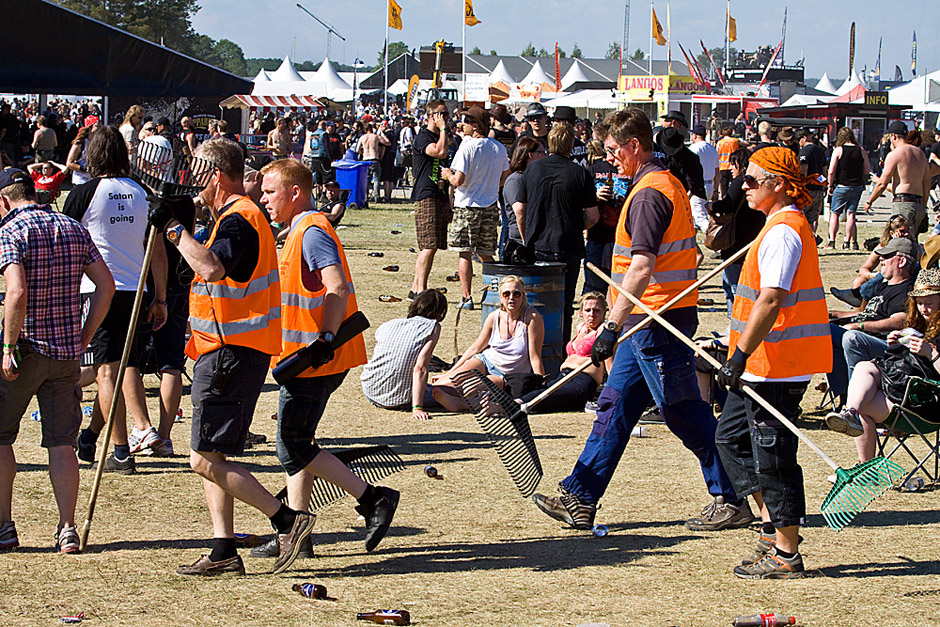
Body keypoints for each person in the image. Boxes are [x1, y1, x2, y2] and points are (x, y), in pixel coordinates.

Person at [531, 108, 748, 532]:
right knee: (615, 406)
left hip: (655, 319)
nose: (609, 157)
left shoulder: (650, 194)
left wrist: (610, 326)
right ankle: (579, 496)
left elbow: (642, 265)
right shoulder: (663, 185)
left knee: (683, 411)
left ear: (634, 146)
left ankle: (733, 495)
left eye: (614, 150)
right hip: (644, 320)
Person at [148, 137, 314, 576]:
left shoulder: (241, 218)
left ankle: (287, 520)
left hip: (231, 353)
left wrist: (171, 230)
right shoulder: (230, 218)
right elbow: (204, 269)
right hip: (220, 350)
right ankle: (224, 548)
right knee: (213, 456)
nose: (192, 181)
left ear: (216, 176)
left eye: (197, 173)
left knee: (202, 458)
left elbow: (212, 267)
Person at [252, 157, 399, 558]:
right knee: (298, 441)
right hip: (306, 359)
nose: (263, 199)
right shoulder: (299, 229)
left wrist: (325, 338)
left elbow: (335, 286)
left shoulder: (312, 231)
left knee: (292, 444)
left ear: (295, 192)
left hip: (315, 359)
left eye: (270, 192)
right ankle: (298, 535)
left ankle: (374, 498)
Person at [714, 146, 832, 579]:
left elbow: (772, 298)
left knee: (774, 457)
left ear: (778, 185)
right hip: (758, 365)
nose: (741, 186)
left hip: (778, 365)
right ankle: (769, 529)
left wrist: (739, 354)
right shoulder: (773, 227)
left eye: (751, 179)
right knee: (730, 440)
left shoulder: (785, 231)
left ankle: (787, 552)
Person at [0, 169, 114, 554]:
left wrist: (7, 346)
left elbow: (16, 291)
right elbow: (107, 284)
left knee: (0, 438)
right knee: (61, 442)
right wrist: (84, 336)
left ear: (3, 200)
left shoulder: (11, 231)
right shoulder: (72, 227)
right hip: (66, 353)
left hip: (26, 349)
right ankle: (67, 527)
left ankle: (4, 527)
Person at [64, 126, 170, 472]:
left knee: (107, 372)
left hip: (97, 290)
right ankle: (93, 436)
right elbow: (156, 249)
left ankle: (123, 450)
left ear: (92, 156)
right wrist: (160, 297)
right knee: (124, 366)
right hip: (135, 291)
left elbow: (64, 243)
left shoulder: (83, 194)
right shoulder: (143, 193)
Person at [826, 269, 940, 461]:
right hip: (904, 390)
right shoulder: (920, 324)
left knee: (863, 404)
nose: (923, 309)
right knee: (863, 367)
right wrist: (898, 346)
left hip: (927, 401)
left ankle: (865, 466)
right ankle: (850, 413)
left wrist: (931, 353)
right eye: (919, 303)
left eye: (929, 303)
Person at [520, 122, 599, 343]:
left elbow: (521, 208)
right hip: (568, 246)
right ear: (572, 144)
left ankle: (532, 346)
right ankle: (561, 347)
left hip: (536, 245)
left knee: (533, 302)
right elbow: (593, 216)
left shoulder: (533, 169)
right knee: (564, 303)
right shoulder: (580, 173)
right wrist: (575, 226)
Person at [433, 275, 545, 411]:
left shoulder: (532, 318)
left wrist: (541, 383)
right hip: (486, 361)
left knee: (470, 388)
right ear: (500, 296)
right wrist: (450, 372)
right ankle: (420, 399)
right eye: (506, 294)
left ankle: (460, 404)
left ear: (523, 296)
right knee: (442, 385)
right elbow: (475, 348)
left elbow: (535, 356)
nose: (511, 298)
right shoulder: (494, 316)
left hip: (506, 375)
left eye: (516, 294)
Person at [827, 237, 917, 403]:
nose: (881, 259)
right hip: (862, 334)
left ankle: (855, 402)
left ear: (902, 261)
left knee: (849, 337)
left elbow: (901, 320)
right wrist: (833, 314)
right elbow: (865, 313)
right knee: (821, 328)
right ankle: (843, 396)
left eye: (888, 256)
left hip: (883, 344)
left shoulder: (907, 291)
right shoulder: (883, 285)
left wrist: (859, 326)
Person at [441, 105, 509, 309]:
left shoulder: (468, 147)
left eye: (466, 121)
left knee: (465, 253)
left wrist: (447, 176)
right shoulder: (499, 147)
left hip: (468, 206)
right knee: (487, 253)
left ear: (476, 125)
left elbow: (459, 180)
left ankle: (466, 296)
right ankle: (493, 294)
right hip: (489, 205)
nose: (462, 125)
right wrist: (488, 185)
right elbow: (504, 177)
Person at [361, 289, 448, 420]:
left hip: (370, 390)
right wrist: (418, 408)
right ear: (440, 313)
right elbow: (420, 368)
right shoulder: (433, 327)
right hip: (400, 399)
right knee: (448, 392)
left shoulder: (390, 324)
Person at [519, 292, 608, 413]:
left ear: (604, 312)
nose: (592, 314)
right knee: (538, 392)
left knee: (543, 397)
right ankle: (512, 404)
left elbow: (611, 362)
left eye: (597, 310)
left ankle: (513, 405)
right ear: (581, 312)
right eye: (588, 310)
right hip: (563, 377)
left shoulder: (605, 331)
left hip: (583, 381)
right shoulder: (581, 327)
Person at [709, 148, 766, 317]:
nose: (730, 168)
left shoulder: (740, 183)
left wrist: (711, 206)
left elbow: (728, 204)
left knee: (734, 285)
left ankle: (737, 318)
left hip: (737, 240)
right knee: (729, 281)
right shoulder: (756, 185)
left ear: (741, 164)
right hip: (751, 236)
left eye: (733, 164)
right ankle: (734, 320)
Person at [830, 215, 917, 308]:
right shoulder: (882, 246)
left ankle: (857, 295)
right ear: (891, 233)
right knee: (859, 281)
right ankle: (859, 312)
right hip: (885, 278)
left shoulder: (914, 247)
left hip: (903, 279)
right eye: (902, 231)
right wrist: (872, 276)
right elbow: (864, 269)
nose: (907, 234)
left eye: (908, 231)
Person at [863, 120, 931, 234]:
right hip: (918, 202)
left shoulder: (895, 154)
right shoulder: (920, 154)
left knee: (900, 237)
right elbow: (927, 183)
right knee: (912, 239)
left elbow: (882, 184)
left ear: (893, 136)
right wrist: (924, 205)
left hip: (903, 202)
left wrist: (869, 201)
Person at [500, 137, 546, 261]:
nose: (545, 155)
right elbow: (520, 210)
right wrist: (526, 241)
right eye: (541, 152)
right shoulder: (516, 179)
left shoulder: (534, 178)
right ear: (530, 155)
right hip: (519, 243)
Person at [826, 127, 872, 249]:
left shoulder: (838, 150)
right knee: (851, 214)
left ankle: (832, 241)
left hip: (841, 185)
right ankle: (847, 241)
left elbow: (831, 171)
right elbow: (867, 170)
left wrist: (830, 185)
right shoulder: (861, 150)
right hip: (856, 185)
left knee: (835, 213)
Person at [796, 129, 827, 238]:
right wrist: (824, 185)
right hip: (818, 188)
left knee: (801, 215)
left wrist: (799, 185)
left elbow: (803, 170)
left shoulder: (805, 151)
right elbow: (824, 170)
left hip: (807, 188)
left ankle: (804, 239)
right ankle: (811, 239)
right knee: (813, 218)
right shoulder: (820, 150)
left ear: (803, 138)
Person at [717, 126, 741, 199]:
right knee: (734, 185)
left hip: (722, 166)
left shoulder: (720, 142)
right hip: (732, 166)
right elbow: (745, 143)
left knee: (724, 185)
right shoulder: (735, 141)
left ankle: (724, 199)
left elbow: (717, 152)